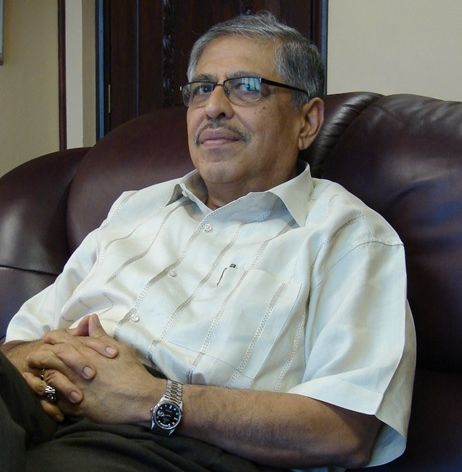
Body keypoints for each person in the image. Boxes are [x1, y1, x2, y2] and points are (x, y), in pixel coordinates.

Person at [0, 12, 415, 472]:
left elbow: (346, 432)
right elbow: (18, 342)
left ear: (307, 121)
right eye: (201, 89)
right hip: (47, 398)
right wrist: (39, 364)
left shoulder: (351, 236)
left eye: (246, 87)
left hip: (173, 446)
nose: (213, 107)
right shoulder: (135, 207)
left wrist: (149, 398)